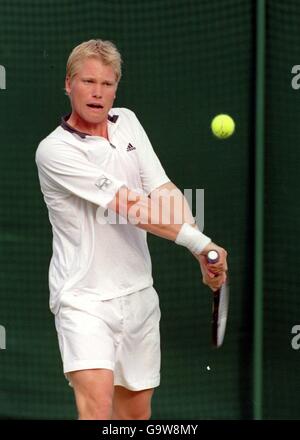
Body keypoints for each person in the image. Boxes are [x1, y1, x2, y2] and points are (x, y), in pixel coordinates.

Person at [35, 39, 228, 420]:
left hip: (139, 296)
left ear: (116, 89)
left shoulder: (128, 123)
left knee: (135, 417)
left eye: (107, 84)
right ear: (68, 84)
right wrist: (198, 242)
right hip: (84, 300)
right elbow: (131, 206)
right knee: (98, 410)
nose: (97, 92)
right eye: (88, 81)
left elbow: (162, 191)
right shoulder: (55, 151)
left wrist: (201, 252)